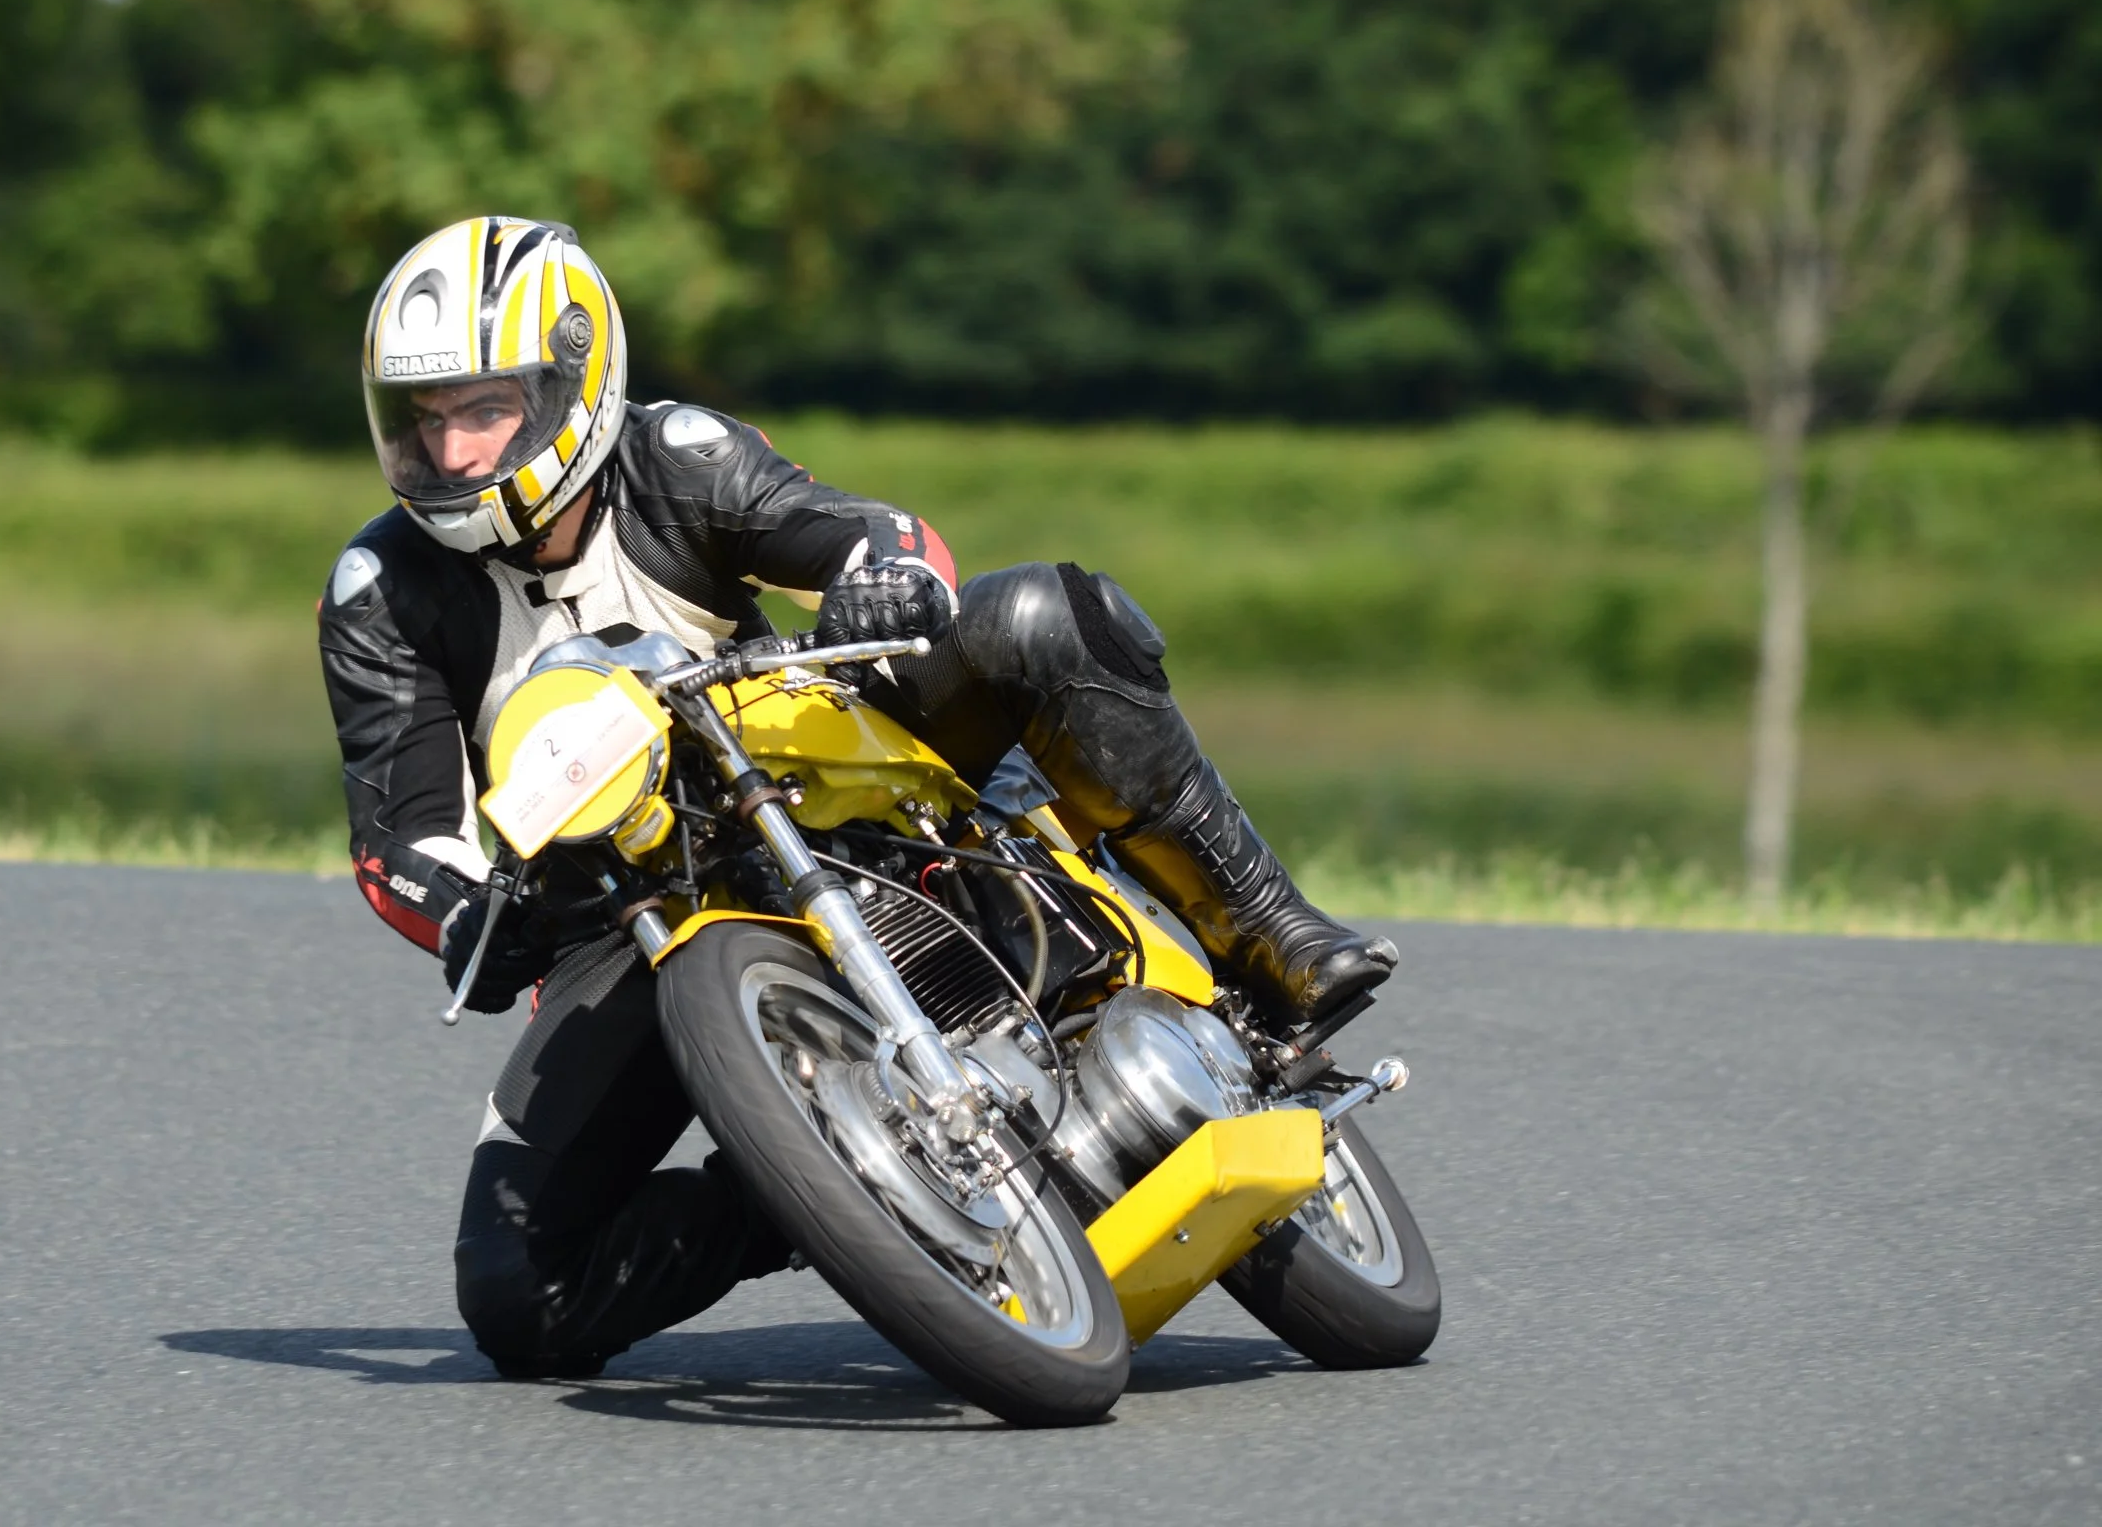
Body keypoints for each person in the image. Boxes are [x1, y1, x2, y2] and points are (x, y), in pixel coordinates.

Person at [318, 215, 1398, 1378]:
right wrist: (470, 915)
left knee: (1035, 616)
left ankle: (1267, 936)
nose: (452, 452)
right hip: (615, 900)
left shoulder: (675, 455)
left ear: (570, 385)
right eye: (423, 419)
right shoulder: (379, 591)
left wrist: (880, 577)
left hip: (799, 765)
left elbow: (869, 532)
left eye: (483, 410)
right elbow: (400, 838)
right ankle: (812, 1184)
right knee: (517, 1294)